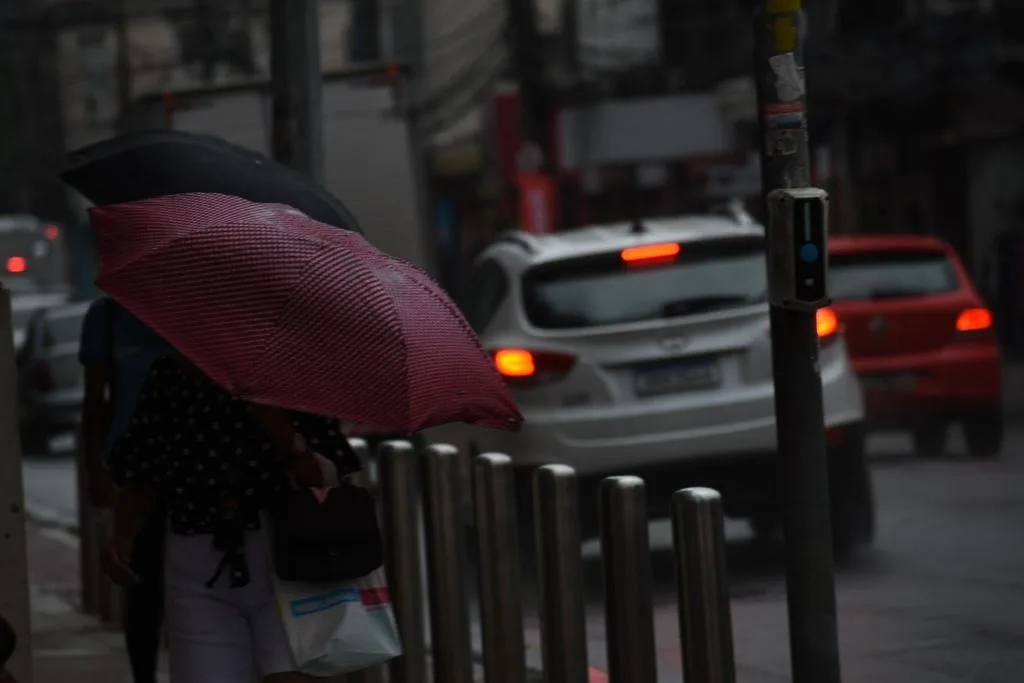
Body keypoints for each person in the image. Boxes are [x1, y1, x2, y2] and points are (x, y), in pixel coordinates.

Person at [102, 354, 361, 683]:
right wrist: (122, 537)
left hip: (289, 556)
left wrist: (281, 431)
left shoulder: (292, 372)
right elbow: (143, 469)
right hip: (196, 554)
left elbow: (326, 478)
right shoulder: (172, 374)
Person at [79, 297, 171, 683]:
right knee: (143, 582)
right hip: (133, 465)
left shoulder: (194, 309)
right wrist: (95, 469)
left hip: (197, 463)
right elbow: (95, 398)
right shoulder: (110, 315)